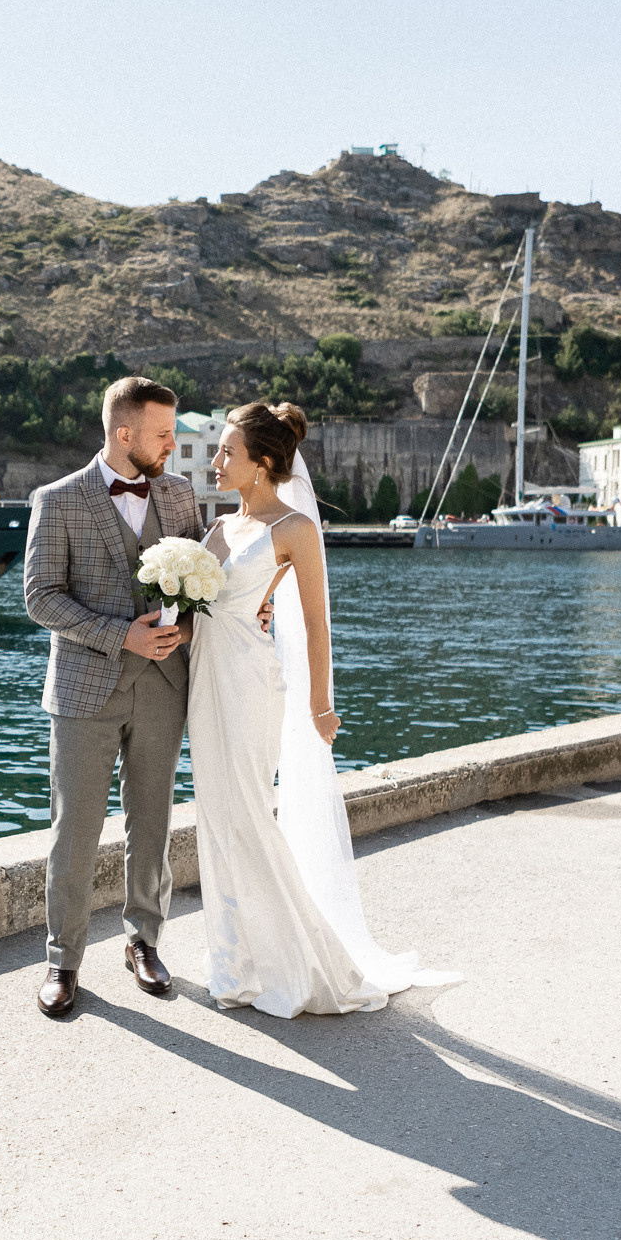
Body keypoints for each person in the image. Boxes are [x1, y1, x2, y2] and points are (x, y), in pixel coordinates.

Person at [186, 401, 458, 1017]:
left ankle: (302, 962)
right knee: (216, 816)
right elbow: (200, 604)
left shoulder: (294, 529)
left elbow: (316, 623)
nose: (216, 460)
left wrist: (320, 704)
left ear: (261, 463)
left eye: (228, 451)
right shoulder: (219, 528)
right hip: (206, 681)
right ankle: (235, 963)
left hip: (251, 682)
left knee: (249, 815)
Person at [22, 376, 202, 1018]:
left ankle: (143, 941)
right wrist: (121, 634)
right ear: (124, 433)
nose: (173, 444)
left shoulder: (179, 496)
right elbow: (40, 597)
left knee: (152, 822)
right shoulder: (57, 499)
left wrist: (188, 628)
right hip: (84, 690)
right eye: (163, 433)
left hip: (164, 687)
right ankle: (62, 961)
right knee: (74, 829)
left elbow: (197, 588)